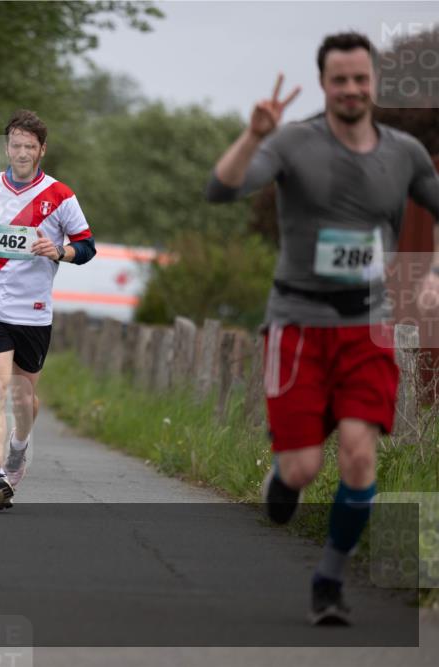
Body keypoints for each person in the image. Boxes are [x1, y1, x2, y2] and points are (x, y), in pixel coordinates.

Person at [205, 32, 439, 625]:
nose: (352, 89)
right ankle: (283, 478)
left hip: (368, 325)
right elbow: (222, 189)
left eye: (361, 79)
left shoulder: (405, 153)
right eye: (340, 80)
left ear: (375, 83)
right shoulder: (293, 142)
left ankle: (329, 580)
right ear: (325, 84)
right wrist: (254, 134)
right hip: (298, 325)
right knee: (304, 468)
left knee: (361, 457)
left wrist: (431, 270)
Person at [0, 109, 97, 511]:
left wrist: (59, 250)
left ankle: (19, 447)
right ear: (7, 146)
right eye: (16, 145)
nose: (23, 152)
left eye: (31, 146)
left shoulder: (61, 196)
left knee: (24, 398)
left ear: (42, 150)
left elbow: (87, 247)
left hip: (34, 312)